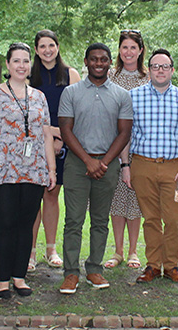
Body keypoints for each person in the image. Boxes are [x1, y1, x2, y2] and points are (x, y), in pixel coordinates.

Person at [0, 43, 57, 299]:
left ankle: (19, 277)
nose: (22, 65)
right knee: (5, 225)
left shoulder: (39, 97)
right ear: (8, 65)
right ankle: (2, 280)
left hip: (33, 172)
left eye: (25, 61)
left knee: (25, 225)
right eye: (16, 61)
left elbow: (46, 136)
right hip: (0, 170)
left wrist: (51, 169)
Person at [58, 43, 133, 294]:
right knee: (73, 220)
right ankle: (71, 273)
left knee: (100, 221)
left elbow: (124, 133)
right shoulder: (71, 92)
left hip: (107, 165)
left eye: (103, 59)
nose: (98, 63)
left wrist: (104, 162)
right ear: (86, 61)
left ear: (110, 62)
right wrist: (88, 161)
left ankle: (94, 269)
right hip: (77, 164)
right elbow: (65, 129)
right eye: (93, 59)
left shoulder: (122, 95)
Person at [128, 49, 178, 284]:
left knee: (174, 219)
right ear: (148, 70)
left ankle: (171, 266)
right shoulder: (133, 97)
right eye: (155, 66)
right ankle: (152, 265)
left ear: (172, 70)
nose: (160, 70)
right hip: (142, 165)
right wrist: (126, 166)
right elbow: (126, 134)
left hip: (174, 169)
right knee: (150, 219)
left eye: (165, 66)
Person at [28, 29, 81, 271]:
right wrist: (48, 136)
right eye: (42, 46)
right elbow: (26, 114)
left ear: (57, 47)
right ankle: (30, 251)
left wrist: (61, 139)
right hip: (34, 144)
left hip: (63, 143)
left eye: (51, 45)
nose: (47, 50)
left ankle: (51, 249)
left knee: (51, 194)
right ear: (36, 50)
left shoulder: (71, 74)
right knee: (32, 198)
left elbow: (77, 112)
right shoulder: (29, 75)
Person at [105, 29, 150, 270]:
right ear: (119, 50)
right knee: (116, 199)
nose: (129, 52)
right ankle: (118, 250)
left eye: (133, 47)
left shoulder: (149, 77)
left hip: (141, 146)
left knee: (134, 200)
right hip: (113, 146)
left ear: (140, 50)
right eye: (125, 47)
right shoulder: (110, 76)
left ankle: (133, 251)